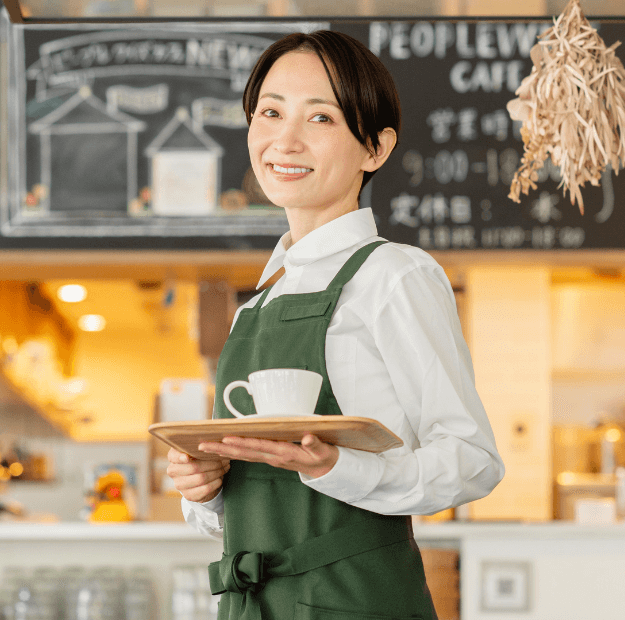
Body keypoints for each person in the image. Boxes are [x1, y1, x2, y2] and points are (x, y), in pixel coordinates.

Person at [165, 30, 505, 620]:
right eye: (269, 113)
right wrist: (207, 487)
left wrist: (339, 467)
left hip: (355, 602)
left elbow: (473, 459)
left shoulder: (394, 275)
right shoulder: (260, 301)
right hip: (253, 605)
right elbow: (259, 493)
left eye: (320, 118)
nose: (284, 140)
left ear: (374, 148)